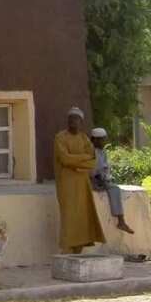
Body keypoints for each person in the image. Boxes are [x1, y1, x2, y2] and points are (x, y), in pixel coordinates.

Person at [53, 107, 105, 253]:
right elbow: (65, 159)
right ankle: (67, 249)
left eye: (76, 119)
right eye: (70, 119)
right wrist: (83, 158)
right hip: (66, 183)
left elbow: (93, 161)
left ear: (81, 121)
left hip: (83, 183)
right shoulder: (60, 138)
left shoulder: (84, 139)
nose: (73, 122)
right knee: (69, 216)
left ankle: (78, 249)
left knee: (83, 216)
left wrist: (78, 163)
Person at [90, 127, 134, 234]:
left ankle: (121, 221)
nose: (103, 142)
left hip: (101, 179)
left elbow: (105, 168)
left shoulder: (102, 152)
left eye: (104, 139)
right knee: (114, 189)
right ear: (94, 139)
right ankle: (121, 221)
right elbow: (91, 169)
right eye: (101, 140)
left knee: (114, 188)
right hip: (92, 180)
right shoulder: (91, 151)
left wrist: (105, 177)